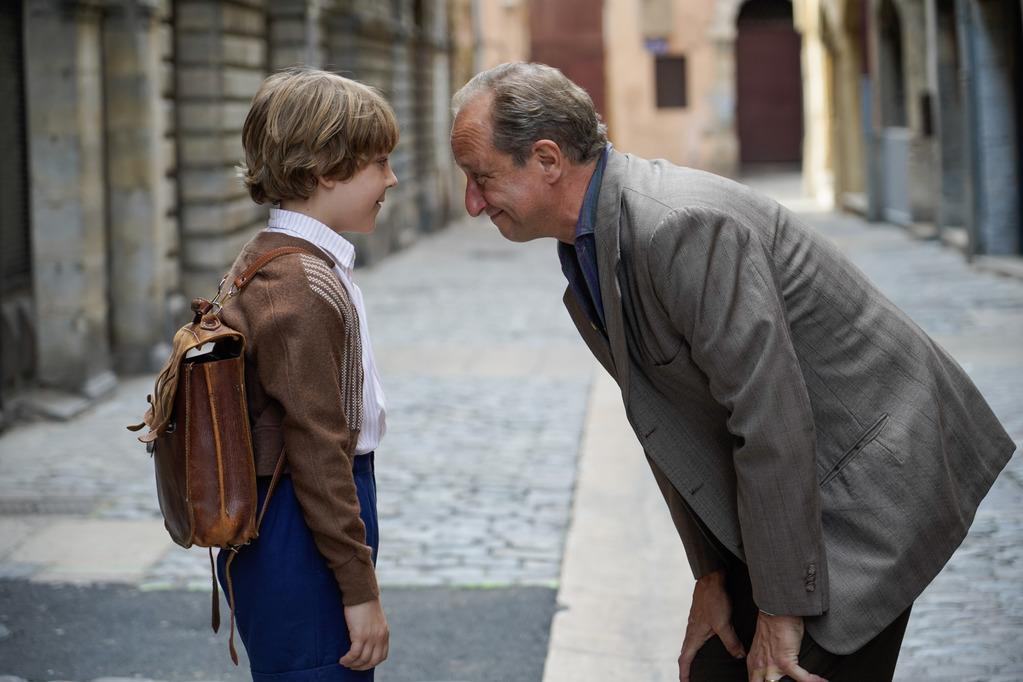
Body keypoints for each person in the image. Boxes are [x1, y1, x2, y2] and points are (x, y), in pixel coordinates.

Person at [449, 62, 1016, 682]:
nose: (472, 203)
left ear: (548, 159)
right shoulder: (587, 246)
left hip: (873, 474)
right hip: (793, 491)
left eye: (481, 178)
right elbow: (670, 421)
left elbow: (769, 418)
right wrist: (711, 574)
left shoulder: (678, 225)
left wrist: (780, 607)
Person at [216, 66, 397, 681]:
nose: (391, 179)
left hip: (299, 513)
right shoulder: (298, 283)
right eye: (380, 163)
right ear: (325, 169)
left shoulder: (275, 258)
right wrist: (359, 588)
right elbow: (318, 446)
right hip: (300, 519)